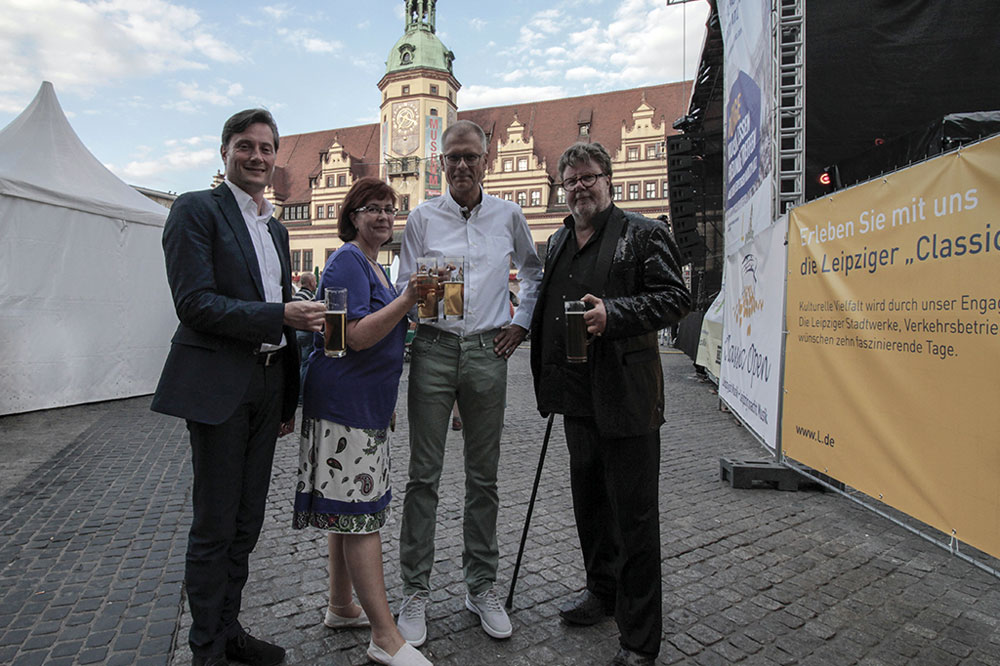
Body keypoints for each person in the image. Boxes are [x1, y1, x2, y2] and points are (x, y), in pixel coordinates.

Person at [151, 108, 326, 666]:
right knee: (215, 524)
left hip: (268, 385)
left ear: (276, 157)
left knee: (247, 523)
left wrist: (288, 397)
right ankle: (205, 649)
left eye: (266, 148)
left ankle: (228, 632)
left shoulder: (275, 226)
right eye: (244, 146)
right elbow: (195, 303)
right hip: (220, 386)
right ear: (224, 151)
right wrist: (280, 316)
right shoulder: (195, 209)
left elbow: (277, 311)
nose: (256, 156)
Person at [529, 142, 690, 666]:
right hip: (577, 399)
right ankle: (602, 593)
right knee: (591, 507)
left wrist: (613, 314)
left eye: (589, 177)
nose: (580, 187)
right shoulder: (557, 240)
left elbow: (675, 299)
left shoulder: (643, 233)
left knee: (635, 518)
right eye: (570, 180)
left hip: (627, 399)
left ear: (609, 180)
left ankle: (640, 640)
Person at [394, 120, 543, 646]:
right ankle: (415, 590)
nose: (461, 165)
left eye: (470, 157)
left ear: (486, 159)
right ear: (441, 162)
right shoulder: (421, 217)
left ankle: (480, 586)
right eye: (452, 157)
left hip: (486, 351)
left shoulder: (509, 215)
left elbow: (532, 271)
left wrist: (521, 321)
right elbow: (401, 282)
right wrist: (417, 297)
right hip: (433, 349)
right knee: (422, 478)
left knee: (484, 478)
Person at [292, 178, 431, 666]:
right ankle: (384, 635)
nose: (383, 218)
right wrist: (409, 299)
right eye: (372, 209)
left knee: (344, 510)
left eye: (390, 211)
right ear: (352, 215)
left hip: (362, 404)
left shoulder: (373, 264)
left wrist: (385, 396)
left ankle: (340, 606)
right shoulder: (347, 261)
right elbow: (352, 336)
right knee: (360, 516)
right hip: (343, 404)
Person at [294, 271, 318, 402]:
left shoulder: (296, 296)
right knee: (305, 365)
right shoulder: (310, 298)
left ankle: (295, 393)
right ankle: (301, 396)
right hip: (306, 333)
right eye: (314, 281)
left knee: (298, 365)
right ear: (310, 283)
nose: (315, 283)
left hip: (295, 333)